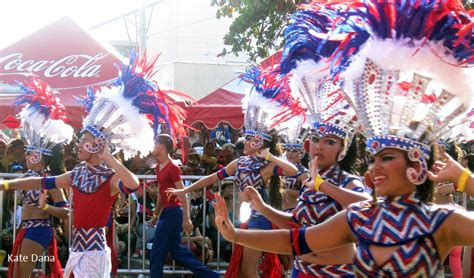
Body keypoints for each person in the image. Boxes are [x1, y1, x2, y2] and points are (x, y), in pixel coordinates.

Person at [211, 0, 474, 276]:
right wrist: (235, 234)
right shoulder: (362, 217)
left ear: (417, 167)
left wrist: (464, 179)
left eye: (387, 158)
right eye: (373, 159)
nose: (375, 167)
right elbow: (297, 239)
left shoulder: (439, 221)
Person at [0, 52, 180, 276]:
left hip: (94, 251)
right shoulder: (77, 173)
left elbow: (133, 184)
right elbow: (41, 181)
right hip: (77, 249)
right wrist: (6, 186)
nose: (77, 146)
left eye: (83, 141)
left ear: (96, 146)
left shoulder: (109, 176)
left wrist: (109, 158)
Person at [168, 64, 304, 277]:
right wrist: (183, 192)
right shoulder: (238, 163)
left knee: (248, 270)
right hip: (242, 218)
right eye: (247, 138)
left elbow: (293, 169)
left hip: (260, 219)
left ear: (261, 143)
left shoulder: (267, 166)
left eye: (252, 139)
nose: (247, 142)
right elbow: (211, 178)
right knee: (241, 269)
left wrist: (269, 156)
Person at [7, 77, 72, 277]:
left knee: (20, 275)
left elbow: (65, 212)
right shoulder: (29, 175)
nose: (25, 156)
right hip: (26, 229)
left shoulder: (49, 180)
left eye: (29, 153)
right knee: (18, 273)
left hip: (38, 230)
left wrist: (45, 207)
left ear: (39, 156)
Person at [149, 134, 219, 278]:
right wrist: (156, 215)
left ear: (162, 146)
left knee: (157, 250)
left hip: (174, 212)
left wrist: (186, 218)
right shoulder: (159, 167)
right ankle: (211, 276)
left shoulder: (173, 167)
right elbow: (161, 194)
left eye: (155, 144)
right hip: (168, 212)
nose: (153, 147)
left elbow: (183, 193)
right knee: (176, 251)